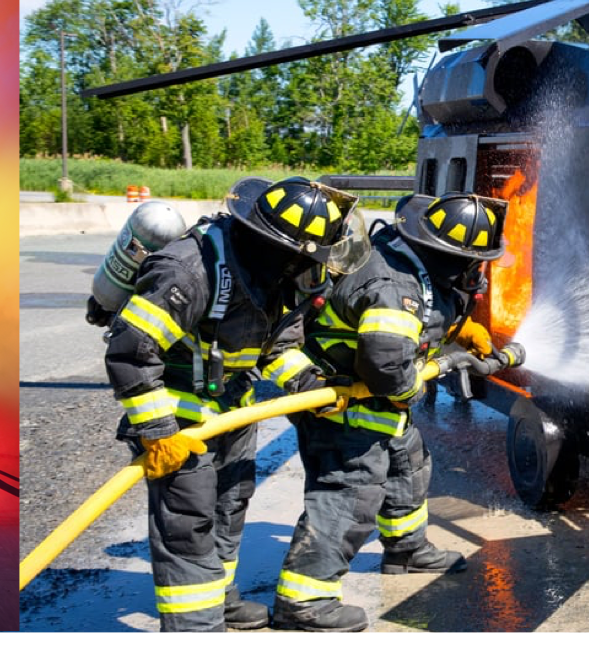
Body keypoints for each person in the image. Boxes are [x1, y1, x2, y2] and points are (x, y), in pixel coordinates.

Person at [100, 176, 358, 632]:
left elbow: (277, 348)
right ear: (283, 249)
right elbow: (131, 351)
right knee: (189, 523)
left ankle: (218, 599)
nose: (315, 269)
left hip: (233, 410)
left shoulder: (276, 277)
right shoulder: (189, 271)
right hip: (176, 418)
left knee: (229, 505)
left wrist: (310, 386)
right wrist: (158, 433)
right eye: (310, 258)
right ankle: (194, 628)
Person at [264, 193, 519, 632]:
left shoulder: (407, 261)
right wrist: (412, 389)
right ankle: (304, 601)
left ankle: (406, 549)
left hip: (369, 399)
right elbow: (385, 365)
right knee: (349, 494)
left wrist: (457, 331)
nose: (476, 271)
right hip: (341, 402)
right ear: (451, 257)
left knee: (408, 463)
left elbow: (414, 325)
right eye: (473, 262)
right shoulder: (394, 287)